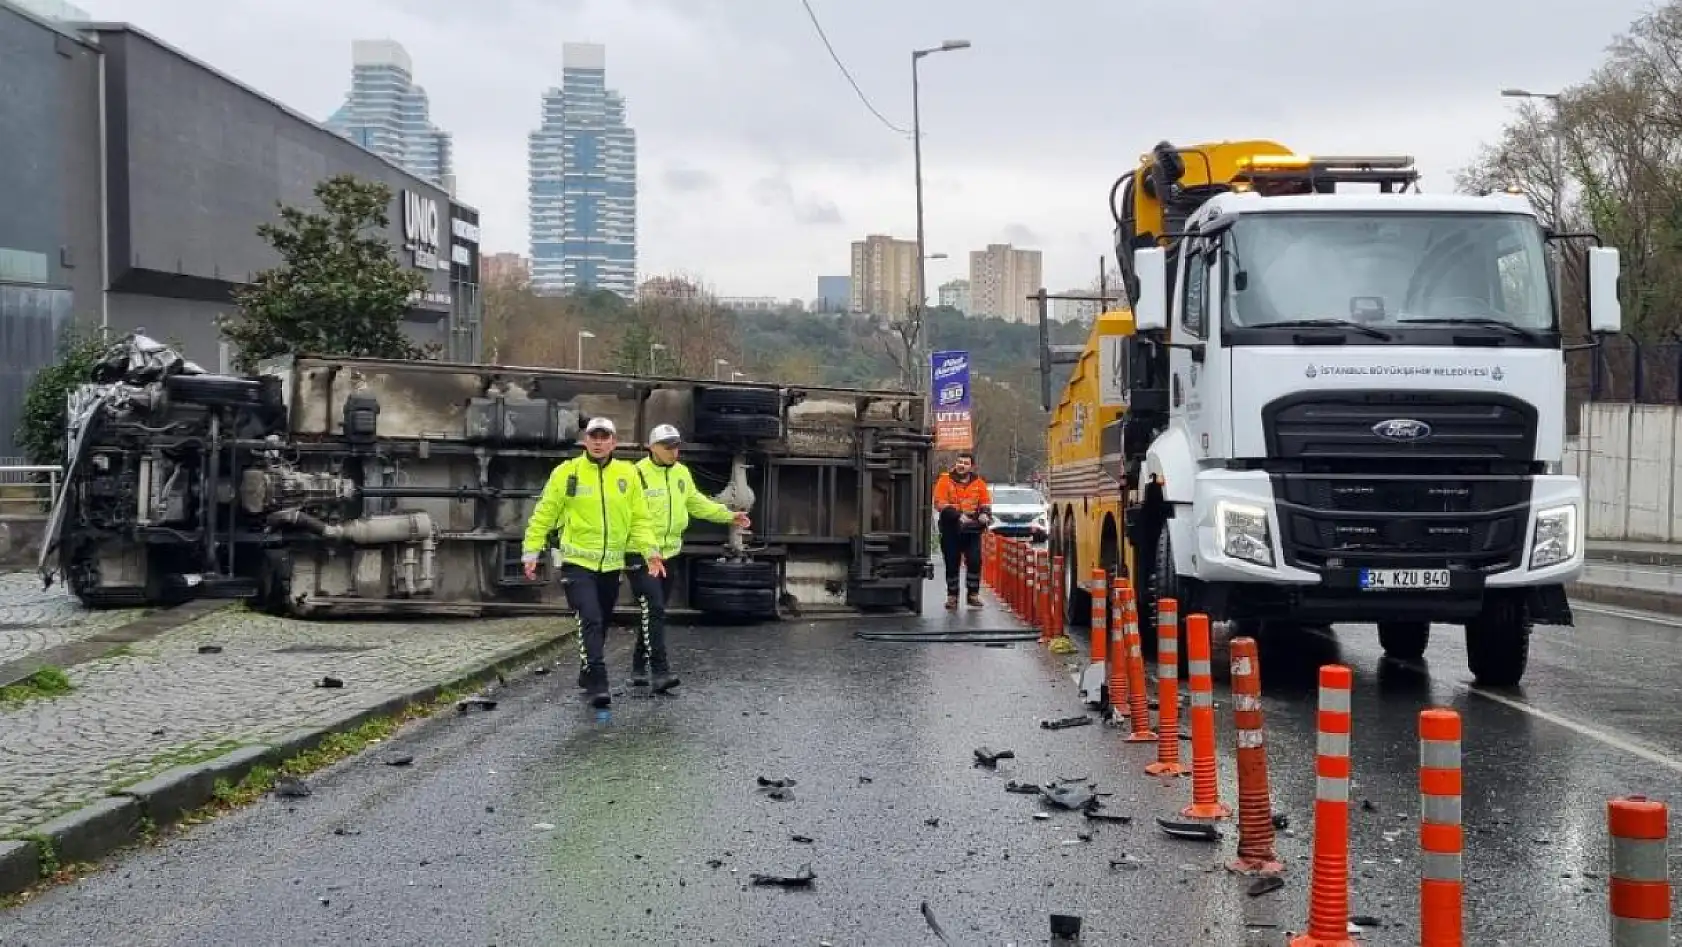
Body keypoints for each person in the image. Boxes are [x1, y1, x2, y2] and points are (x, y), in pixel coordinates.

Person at [523, 417, 664, 708]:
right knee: (590, 617)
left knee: (601, 623)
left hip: (610, 566)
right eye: (593, 437)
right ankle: (599, 683)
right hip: (577, 562)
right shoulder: (567, 472)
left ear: (614, 442)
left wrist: (650, 551)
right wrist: (531, 551)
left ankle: (587, 671)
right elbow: (544, 513)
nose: (599, 442)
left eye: (604, 437)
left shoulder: (627, 474)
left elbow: (640, 519)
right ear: (585, 441)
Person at [627, 423, 752, 691]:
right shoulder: (635, 474)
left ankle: (638, 665)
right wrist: (647, 550)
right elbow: (627, 516)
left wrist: (729, 516)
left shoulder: (681, 473)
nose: (674, 451)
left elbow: (696, 503)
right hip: (641, 553)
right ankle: (659, 672)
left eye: (676, 446)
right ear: (652, 447)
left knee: (653, 611)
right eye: (667, 447)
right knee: (654, 608)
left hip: (670, 553)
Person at [932, 451, 992, 609]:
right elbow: (939, 503)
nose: (961, 465)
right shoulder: (945, 480)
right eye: (959, 462)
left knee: (974, 561)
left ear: (972, 467)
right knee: (952, 562)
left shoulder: (979, 483)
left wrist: (984, 514)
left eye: (965, 463)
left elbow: (985, 502)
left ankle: (973, 595)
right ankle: (952, 597)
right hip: (951, 528)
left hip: (972, 530)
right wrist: (958, 515)